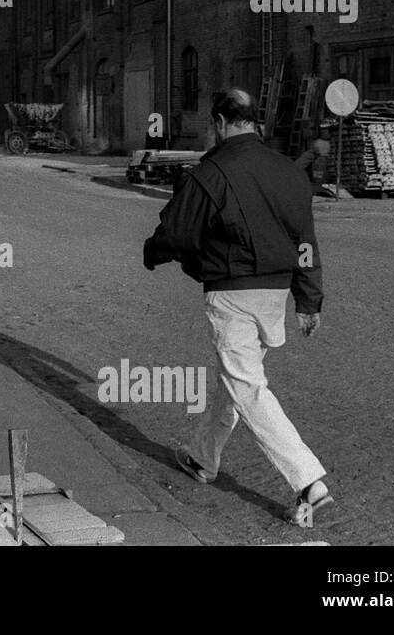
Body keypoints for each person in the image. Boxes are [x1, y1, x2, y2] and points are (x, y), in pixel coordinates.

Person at [143, 88, 331, 527]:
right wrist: (308, 299)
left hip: (233, 294)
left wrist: (153, 253)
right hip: (275, 293)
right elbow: (305, 242)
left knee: (247, 387)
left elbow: (176, 233)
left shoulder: (212, 171)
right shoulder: (288, 171)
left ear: (221, 122)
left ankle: (310, 484)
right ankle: (202, 458)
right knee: (237, 377)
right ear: (254, 121)